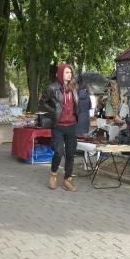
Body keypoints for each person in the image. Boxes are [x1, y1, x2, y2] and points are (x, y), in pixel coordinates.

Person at [40, 63, 79, 192]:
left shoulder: (74, 87)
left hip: (71, 125)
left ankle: (67, 180)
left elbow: (76, 104)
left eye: (70, 72)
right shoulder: (52, 88)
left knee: (70, 154)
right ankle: (53, 174)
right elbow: (42, 102)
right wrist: (53, 111)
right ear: (61, 73)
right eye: (67, 72)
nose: (70, 74)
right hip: (58, 125)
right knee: (58, 152)